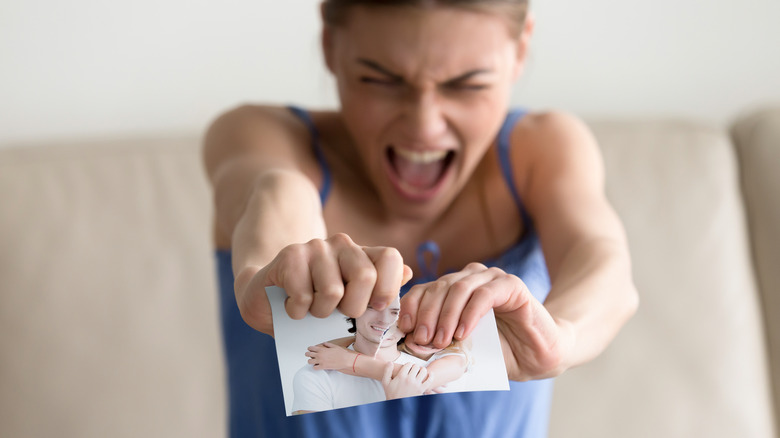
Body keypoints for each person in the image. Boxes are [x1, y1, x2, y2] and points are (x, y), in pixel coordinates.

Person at [203, 0, 639, 436]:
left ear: (521, 49)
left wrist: (559, 339)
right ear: (331, 45)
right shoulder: (259, 136)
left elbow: (600, 258)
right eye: (380, 80)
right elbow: (278, 194)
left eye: (468, 84)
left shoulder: (541, 150)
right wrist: (276, 267)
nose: (424, 127)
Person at [292, 297, 432, 414]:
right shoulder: (315, 375)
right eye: (373, 308)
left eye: (396, 312)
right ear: (354, 312)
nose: (384, 320)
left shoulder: (431, 374)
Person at [306, 330, 472, 394]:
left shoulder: (456, 356)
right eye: (418, 328)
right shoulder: (395, 350)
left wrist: (351, 361)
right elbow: (319, 351)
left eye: (441, 333)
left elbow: (421, 379)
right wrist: (370, 335)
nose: (426, 338)